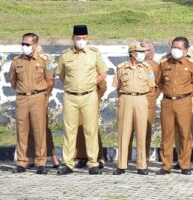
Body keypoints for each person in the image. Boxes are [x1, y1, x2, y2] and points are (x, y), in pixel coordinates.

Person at [56, 25, 108, 175]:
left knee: (90, 129)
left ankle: (93, 163)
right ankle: (68, 163)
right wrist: (73, 85)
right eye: (78, 38)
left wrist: (91, 83)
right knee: (69, 130)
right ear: (72, 38)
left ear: (87, 38)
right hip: (70, 96)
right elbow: (62, 75)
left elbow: (103, 73)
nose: (81, 41)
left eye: (84, 38)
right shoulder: (65, 55)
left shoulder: (94, 54)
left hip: (89, 95)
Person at [156, 37, 193, 175]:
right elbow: (159, 81)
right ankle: (166, 165)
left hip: (184, 102)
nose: (175, 50)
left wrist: (186, 94)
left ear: (185, 50)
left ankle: (185, 165)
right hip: (167, 102)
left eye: (178, 48)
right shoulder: (164, 63)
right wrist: (168, 92)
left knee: (185, 134)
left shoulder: (192, 64)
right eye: (173, 47)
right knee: (167, 134)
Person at [10, 32, 55, 174]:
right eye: (22, 43)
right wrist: (24, 91)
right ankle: (21, 162)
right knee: (21, 131)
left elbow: (50, 81)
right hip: (22, 98)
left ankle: (40, 162)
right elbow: (13, 81)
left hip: (38, 97)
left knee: (39, 130)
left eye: (27, 44)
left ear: (35, 45)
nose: (24, 46)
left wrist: (43, 96)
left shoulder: (45, 61)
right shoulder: (16, 61)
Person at [112, 42, 155, 175]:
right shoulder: (121, 68)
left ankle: (141, 165)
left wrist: (140, 92)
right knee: (124, 132)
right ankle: (121, 165)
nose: (143, 54)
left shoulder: (147, 68)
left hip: (141, 98)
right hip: (126, 99)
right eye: (140, 52)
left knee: (141, 132)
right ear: (132, 53)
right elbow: (117, 87)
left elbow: (152, 87)